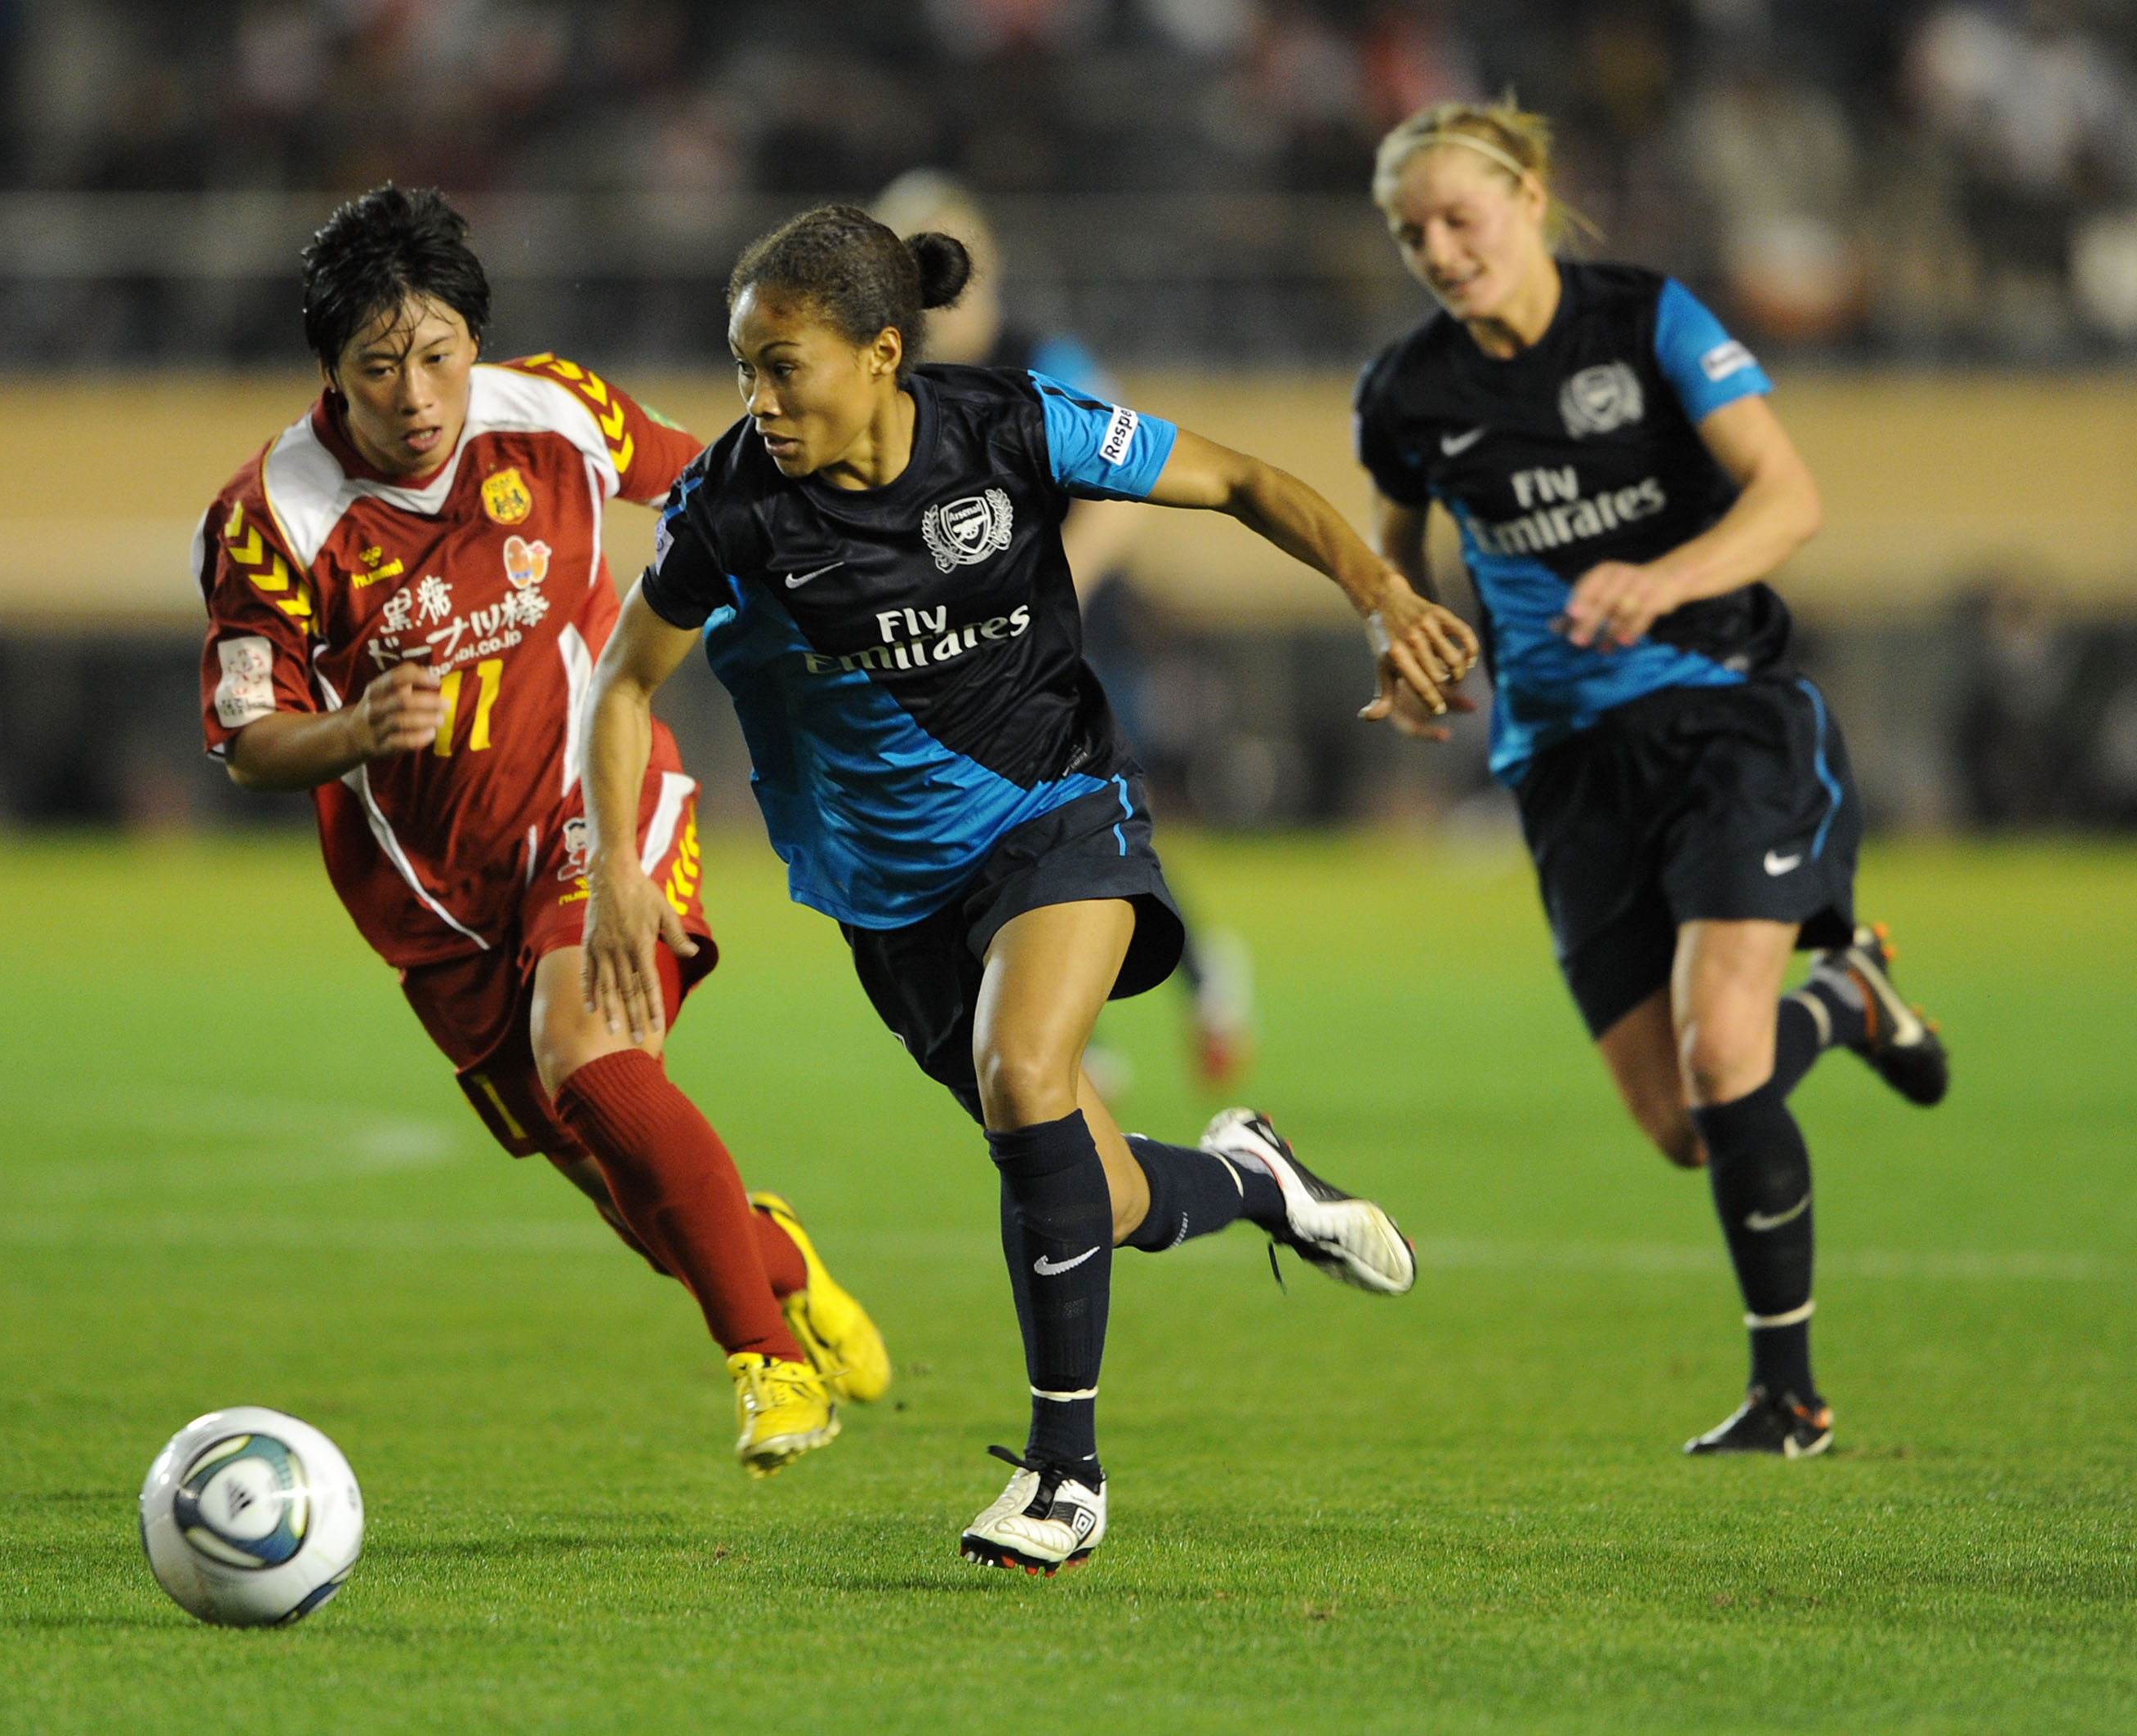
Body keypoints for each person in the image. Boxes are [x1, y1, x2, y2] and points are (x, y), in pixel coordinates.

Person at [580, 205, 1471, 1574]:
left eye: (784, 367)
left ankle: (1065, 1476)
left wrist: (1379, 595)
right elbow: (627, 682)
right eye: (745, 368)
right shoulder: (730, 506)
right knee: (1097, 1189)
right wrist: (616, 872)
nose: (758, 401)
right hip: (890, 896)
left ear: (883, 354)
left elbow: (1239, 482)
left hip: (1058, 808)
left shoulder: (1011, 426)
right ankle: (1258, 1181)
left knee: (1021, 1071)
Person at [194, 186, 887, 1480]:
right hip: (434, 904)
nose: (417, 394)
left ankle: (767, 1364)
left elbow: (714, 480)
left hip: (593, 806)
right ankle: (775, 1255)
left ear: (478, 343)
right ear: (331, 374)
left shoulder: (553, 411)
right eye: (379, 366)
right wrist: (348, 733)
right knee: (616, 1171)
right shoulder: (272, 518)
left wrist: (844, 589)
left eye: (441, 353)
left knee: (585, 1046)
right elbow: (245, 740)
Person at [1355, 100, 1951, 1458]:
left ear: (1531, 195)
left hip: (1723, 715)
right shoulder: (1406, 392)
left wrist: (1665, 576)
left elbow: (1788, 497)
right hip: (1563, 766)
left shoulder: (1649, 321)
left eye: (1462, 217)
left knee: (1725, 1048)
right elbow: (1395, 565)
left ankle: (1788, 1397)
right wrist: (1402, 647)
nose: (1443, 251)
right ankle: (1849, 1000)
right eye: (1413, 234)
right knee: (1686, 1124)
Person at [868, 169, 1257, 1087]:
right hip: (956, 646)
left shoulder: (1043, 357)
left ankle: (1165, 985)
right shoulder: (889, 373)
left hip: (1060, 630)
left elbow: (1131, 487)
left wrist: (1050, 592)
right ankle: (1112, 1013)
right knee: (1000, 827)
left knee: (1078, 816)